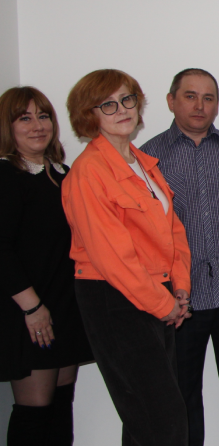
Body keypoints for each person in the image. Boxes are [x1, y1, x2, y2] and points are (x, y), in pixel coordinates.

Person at [61, 69, 191, 446]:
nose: (121, 109)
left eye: (127, 99)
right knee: (163, 422)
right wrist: (163, 304)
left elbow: (173, 232)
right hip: (114, 299)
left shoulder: (141, 162)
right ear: (88, 114)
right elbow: (112, 256)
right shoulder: (89, 171)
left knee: (146, 419)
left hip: (155, 293)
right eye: (108, 104)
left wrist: (180, 288)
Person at [141, 69, 219, 446]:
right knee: (181, 394)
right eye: (190, 96)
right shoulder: (148, 157)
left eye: (208, 98)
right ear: (171, 101)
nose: (200, 105)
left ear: (217, 104)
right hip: (180, 298)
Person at [1, 87, 93, 446]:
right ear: (7, 127)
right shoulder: (7, 175)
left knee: (60, 405)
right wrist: (33, 308)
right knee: (35, 411)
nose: (37, 125)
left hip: (64, 308)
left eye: (43, 116)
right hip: (29, 312)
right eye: (24, 118)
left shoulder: (62, 173)